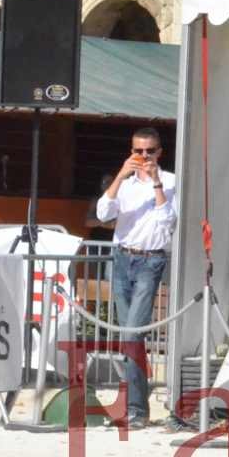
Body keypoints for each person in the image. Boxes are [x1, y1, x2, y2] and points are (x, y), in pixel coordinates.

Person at [95, 127, 176, 429]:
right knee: (130, 338)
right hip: (121, 258)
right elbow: (104, 213)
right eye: (138, 151)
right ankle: (136, 409)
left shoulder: (171, 182)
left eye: (150, 151)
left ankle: (135, 409)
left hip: (150, 260)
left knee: (132, 335)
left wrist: (155, 183)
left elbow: (167, 222)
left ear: (159, 152)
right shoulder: (125, 184)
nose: (143, 157)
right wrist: (119, 176)